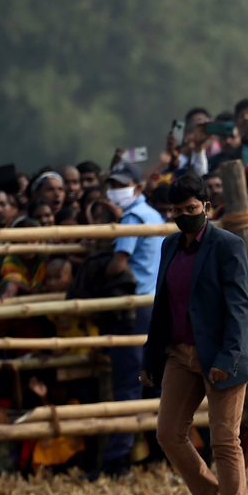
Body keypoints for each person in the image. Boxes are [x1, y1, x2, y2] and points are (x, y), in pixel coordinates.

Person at [140, 172, 248, 495]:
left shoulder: (228, 245)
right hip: (179, 353)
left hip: (223, 356)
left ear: (206, 208)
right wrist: (150, 357)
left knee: (224, 441)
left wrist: (227, 357)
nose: (184, 215)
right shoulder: (170, 246)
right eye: (177, 210)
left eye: (191, 209)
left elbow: (240, 307)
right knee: (168, 433)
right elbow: (162, 307)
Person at [99, 162, 164, 478]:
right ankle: (162, 454)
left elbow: (118, 265)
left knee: (127, 380)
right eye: (112, 183)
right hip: (154, 305)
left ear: (138, 187)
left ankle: (117, 460)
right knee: (153, 382)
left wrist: (98, 269)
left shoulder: (132, 217)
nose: (115, 189)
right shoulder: (154, 215)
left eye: (121, 184)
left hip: (133, 306)